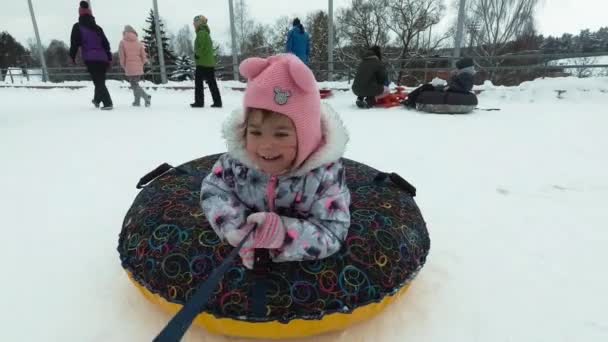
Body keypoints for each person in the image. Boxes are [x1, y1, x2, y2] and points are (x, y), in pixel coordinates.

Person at [200, 54, 351, 269]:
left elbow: (332, 231)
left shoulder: (324, 178)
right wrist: (235, 228)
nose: (266, 146)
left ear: (306, 136)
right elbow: (214, 189)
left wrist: (281, 233)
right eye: (256, 132)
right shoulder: (236, 165)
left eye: (281, 135)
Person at [69, 1, 113, 110]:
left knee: (98, 81)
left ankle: (108, 103)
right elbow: (106, 44)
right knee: (100, 80)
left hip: (91, 58)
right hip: (103, 58)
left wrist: (72, 57)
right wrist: (109, 57)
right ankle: (97, 100)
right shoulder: (98, 28)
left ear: (80, 14)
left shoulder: (78, 27)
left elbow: (74, 43)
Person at [403, 57, 476, 108]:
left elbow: (464, 88)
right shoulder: (463, 74)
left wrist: (447, 87)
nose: (456, 69)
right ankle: (410, 99)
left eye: (458, 67)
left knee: (427, 87)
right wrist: (450, 82)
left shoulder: (466, 75)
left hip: (451, 92)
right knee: (428, 86)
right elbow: (458, 85)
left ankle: (410, 100)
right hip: (451, 90)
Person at [191, 15, 222, 108]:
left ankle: (199, 102)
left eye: (195, 22)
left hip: (202, 62)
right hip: (208, 63)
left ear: (199, 22)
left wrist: (197, 54)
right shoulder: (205, 33)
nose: (194, 24)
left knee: (198, 83)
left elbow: (202, 46)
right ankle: (217, 102)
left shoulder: (201, 33)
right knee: (212, 83)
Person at [118, 25, 151, 107]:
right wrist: (141, 64)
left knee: (134, 84)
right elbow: (144, 56)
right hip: (139, 66)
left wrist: (123, 65)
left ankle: (146, 97)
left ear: (124, 32)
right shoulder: (138, 43)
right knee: (135, 84)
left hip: (129, 66)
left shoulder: (122, 42)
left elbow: (121, 56)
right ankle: (137, 101)